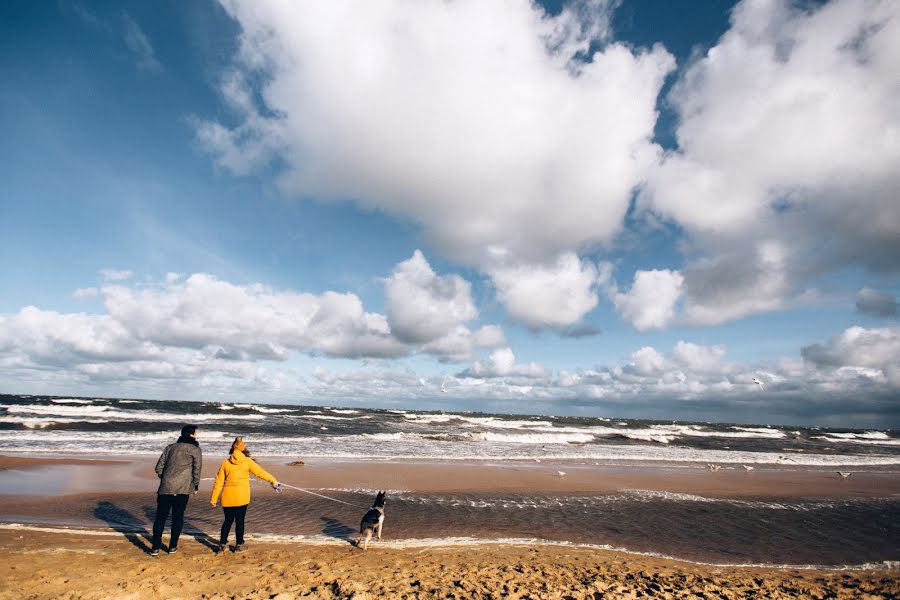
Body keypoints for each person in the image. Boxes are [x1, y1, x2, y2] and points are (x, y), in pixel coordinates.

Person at [210, 437, 279, 553]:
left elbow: (219, 481)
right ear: (243, 449)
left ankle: (222, 544)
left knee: (227, 521)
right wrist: (273, 480)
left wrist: (214, 498)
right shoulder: (247, 461)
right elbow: (260, 472)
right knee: (240, 521)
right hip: (242, 497)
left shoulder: (225, 463)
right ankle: (239, 545)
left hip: (228, 497)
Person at [151, 424, 202, 556]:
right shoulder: (195, 449)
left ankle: (155, 548)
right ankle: (172, 546)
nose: (196, 436)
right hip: (183, 489)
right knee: (177, 518)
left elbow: (158, 468)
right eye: (196, 433)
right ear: (191, 434)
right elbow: (197, 470)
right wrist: (195, 485)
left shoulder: (170, 447)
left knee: (160, 518)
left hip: (165, 487)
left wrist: (166, 478)